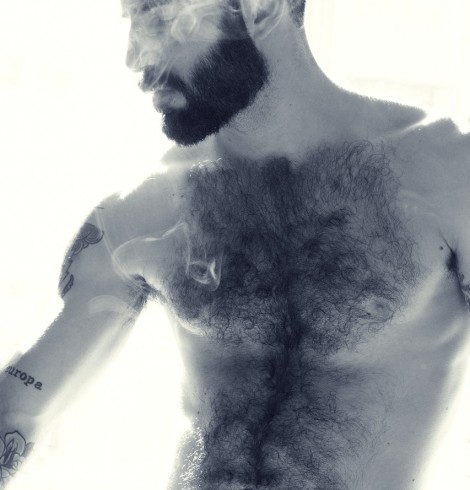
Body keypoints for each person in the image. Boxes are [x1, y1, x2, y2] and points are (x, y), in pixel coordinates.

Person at [1, 0, 470, 488]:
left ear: (261, 9)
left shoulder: (449, 176)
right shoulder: (142, 214)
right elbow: (18, 409)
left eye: (157, 18)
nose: (135, 59)